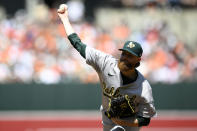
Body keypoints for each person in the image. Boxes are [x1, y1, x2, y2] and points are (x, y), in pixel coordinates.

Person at [57, 4, 156, 131]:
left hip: (131, 127)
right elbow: (78, 44)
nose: (125, 58)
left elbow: (145, 119)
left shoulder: (143, 88)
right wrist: (65, 19)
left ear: (138, 60)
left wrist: (123, 122)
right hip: (108, 123)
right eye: (124, 53)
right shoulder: (106, 63)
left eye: (130, 56)